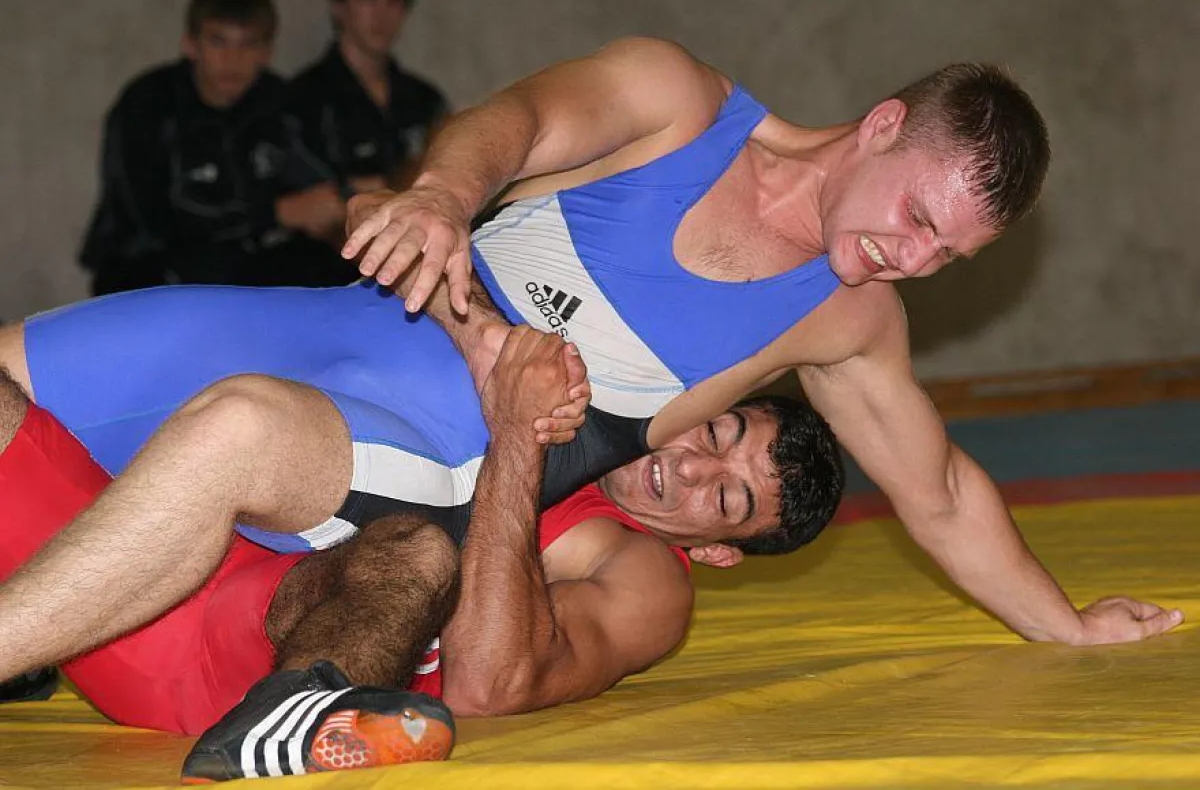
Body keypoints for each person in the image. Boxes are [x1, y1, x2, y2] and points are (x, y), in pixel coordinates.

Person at [343, 36, 1185, 647]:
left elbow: (943, 494)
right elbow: (514, 122)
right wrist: (447, 195)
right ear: (884, 124)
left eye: (949, 256)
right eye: (919, 219)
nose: (917, 261)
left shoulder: (850, 316)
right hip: (350, 354)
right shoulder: (676, 102)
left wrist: (1068, 626)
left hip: (424, 491)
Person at [0, 326, 841, 780]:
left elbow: (486, 681)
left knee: (416, 551)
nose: (690, 467)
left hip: (243, 658)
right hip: (140, 570)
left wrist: (517, 438)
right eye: (718, 433)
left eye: (723, 498)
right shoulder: (581, 403)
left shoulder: (649, 577)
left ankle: (293, 712)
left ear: (720, 551)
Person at [77, 0, 349, 293]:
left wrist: (339, 204)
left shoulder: (279, 104)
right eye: (218, 41)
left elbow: (320, 185)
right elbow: (152, 223)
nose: (232, 60)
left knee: (333, 274)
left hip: (241, 268)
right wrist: (276, 213)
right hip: (146, 270)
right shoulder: (148, 105)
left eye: (248, 44)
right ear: (190, 45)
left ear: (266, 53)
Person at [278, 0, 448, 286]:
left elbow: (452, 185)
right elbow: (324, 211)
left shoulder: (425, 99)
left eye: (393, 0)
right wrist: (408, 177)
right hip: (331, 279)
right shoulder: (303, 99)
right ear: (339, 7)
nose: (381, 15)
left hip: (423, 269)